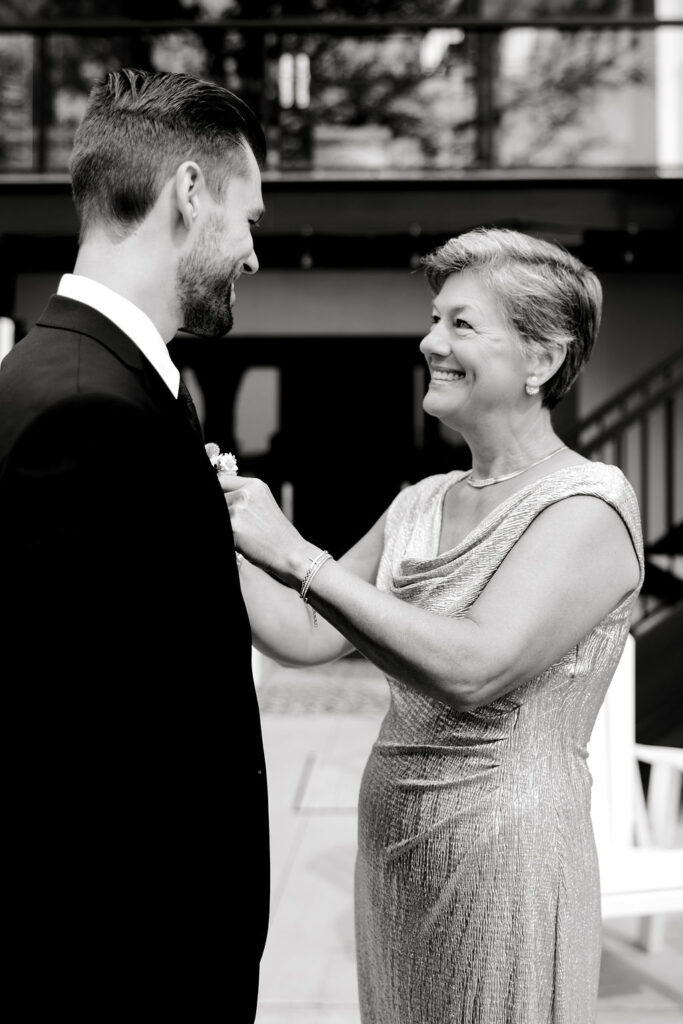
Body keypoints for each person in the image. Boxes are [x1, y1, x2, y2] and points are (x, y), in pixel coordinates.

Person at [219, 228, 644, 1024]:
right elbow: (302, 635)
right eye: (433, 319)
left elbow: (472, 668)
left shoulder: (586, 504)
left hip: (505, 857)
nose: (428, 341)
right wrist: (228, 524)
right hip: (391, 850)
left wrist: (295, 551)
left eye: (459, 323)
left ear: (540, 359)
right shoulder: (419, 501)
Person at [0, 69, 268, 1021]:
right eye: (248, 218)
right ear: (189, 193)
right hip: (128, 963)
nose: (251, 254)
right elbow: (70, 759)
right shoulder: (83, 406)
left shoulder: (107, 383)